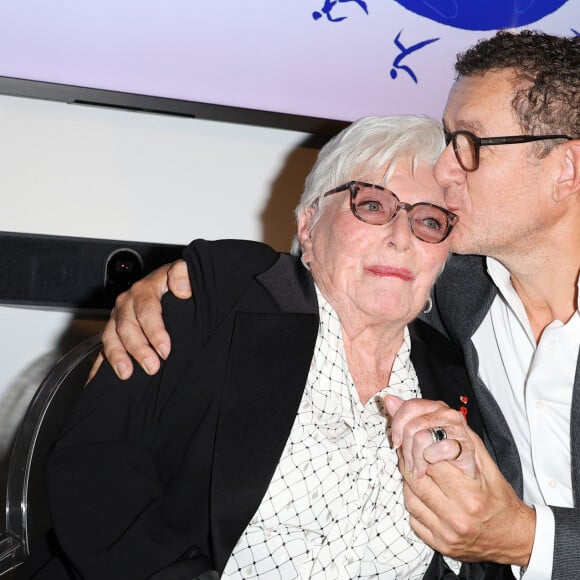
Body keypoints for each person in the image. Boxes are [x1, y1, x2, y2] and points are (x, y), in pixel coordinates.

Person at [98, 30, 580, 579]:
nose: (447, 170)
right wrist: (189, 283)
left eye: (469, 142)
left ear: (565, 170)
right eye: (372, 204)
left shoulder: (445, 307)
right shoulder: (455, 285)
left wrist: (523, 538)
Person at [25, 115, 509, 580]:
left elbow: (479, 556)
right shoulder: (226, 290)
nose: (402, 238)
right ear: (308, 225)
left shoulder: (454, 375)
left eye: (428, 221)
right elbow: (97, 462)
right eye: (374, 206)